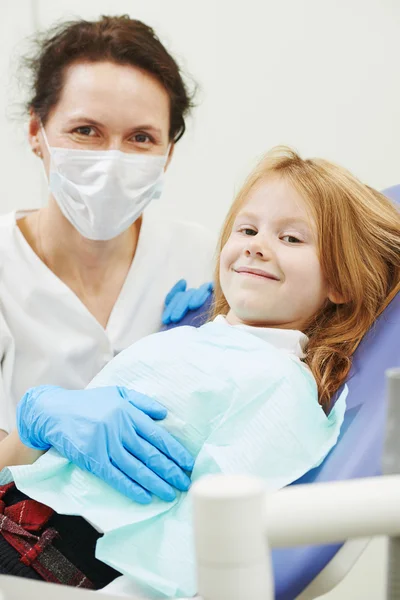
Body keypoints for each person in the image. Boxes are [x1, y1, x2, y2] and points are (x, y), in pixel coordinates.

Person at [0, 146, 398, 594]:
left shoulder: (280, 386)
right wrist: (34, 425)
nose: (256, 245)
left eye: (291, 238)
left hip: (46, 562)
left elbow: (199, 541)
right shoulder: (188, 339)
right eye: (247, 229)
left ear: (341, 282)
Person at [0, 15, 215, 502]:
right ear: (37, 131)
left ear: (168, 153)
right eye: (86, 130)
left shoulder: (201, 257)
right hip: (25, 562)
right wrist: (34, 430)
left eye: (141, 138)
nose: (113, 159)